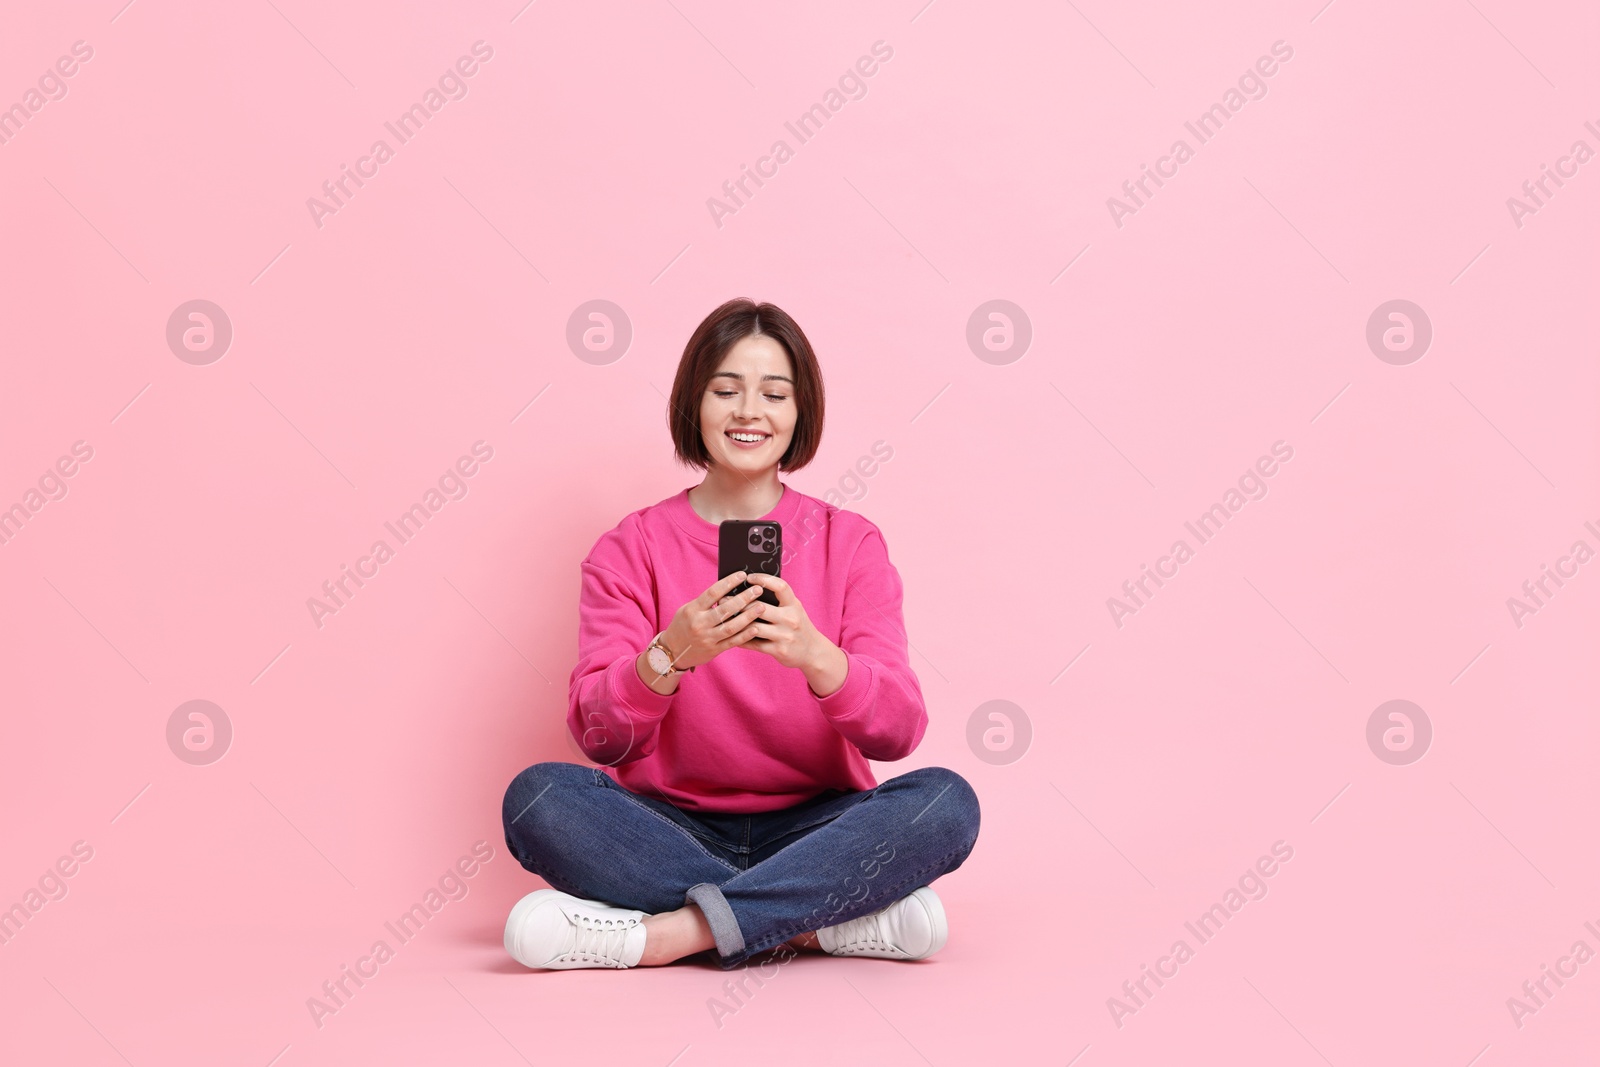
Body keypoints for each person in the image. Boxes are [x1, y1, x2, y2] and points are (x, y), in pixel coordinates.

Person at [500, 297, 980, 970]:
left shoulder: (852, 543)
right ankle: (816, 922)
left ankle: (672, 934)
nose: (749, 411)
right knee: (540, 799)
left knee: (946, 803)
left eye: (773, 394)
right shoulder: (629, 547)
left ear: (799, 411)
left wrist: (817, 656)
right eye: (726, 389)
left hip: (818, 828)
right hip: (669, 826)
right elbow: (600, 737)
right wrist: (666, 656)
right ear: (694, 403)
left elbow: (897, 732)